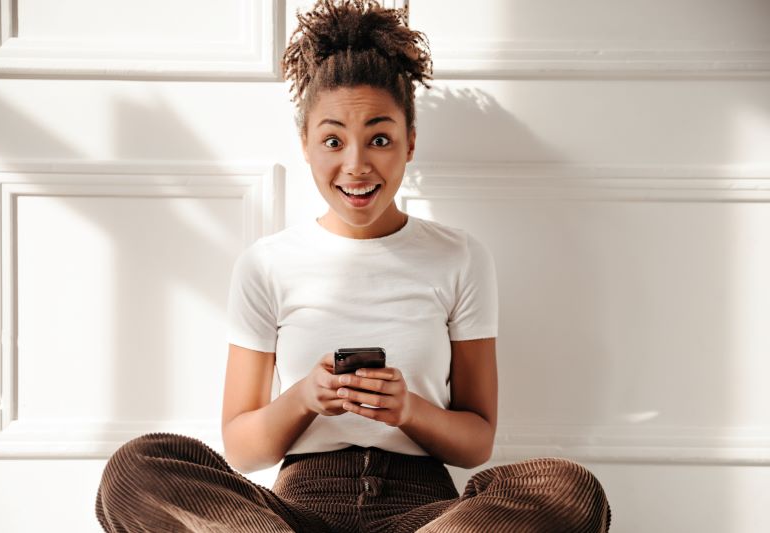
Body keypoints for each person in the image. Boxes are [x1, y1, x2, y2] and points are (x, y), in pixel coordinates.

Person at [95, 1, 612, 531]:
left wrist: (407, 409)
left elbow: (476, 441)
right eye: (333, 140)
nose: (356, 164)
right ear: (306, 146)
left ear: (410, 143)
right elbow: (244, 449)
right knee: (135, 469)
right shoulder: (266, 265)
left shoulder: (460, 257)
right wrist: (304, 397)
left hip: (425, 514)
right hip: (296, 513)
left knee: (568, 491)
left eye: (380, 138)